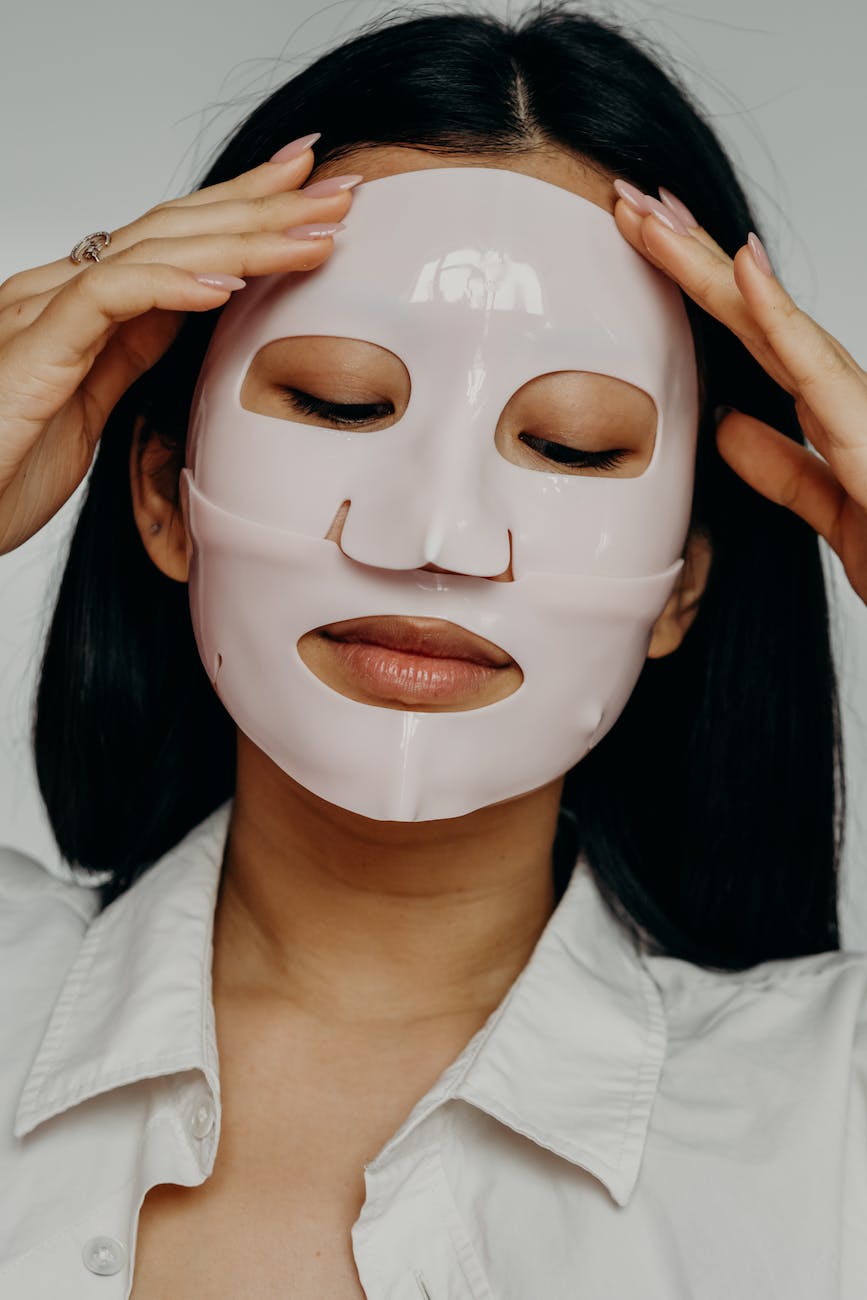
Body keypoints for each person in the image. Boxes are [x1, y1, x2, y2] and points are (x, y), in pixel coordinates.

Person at [1, 4, 865, 1297]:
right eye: (342, 401)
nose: (440, 537)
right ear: (166, 495)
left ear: (685, 582)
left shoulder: (830, 1123)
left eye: (572, 443)